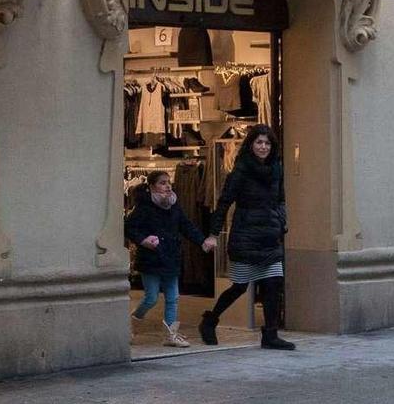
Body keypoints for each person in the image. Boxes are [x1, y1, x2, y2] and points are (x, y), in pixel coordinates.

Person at [198, 124, 295, 350]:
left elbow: (280, 198)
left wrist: (281, 219)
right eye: (259, 142)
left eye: (267, 143)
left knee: (273, 284)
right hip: (246, 236)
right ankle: (210, 320)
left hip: (270, 238)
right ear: (251, 145)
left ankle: (270, 335)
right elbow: (224, 203)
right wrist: (213, 234)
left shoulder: (276, 169)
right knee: (240, 286)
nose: (263, 147)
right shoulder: (241, 170)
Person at [125, 170, 217, 347]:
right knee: (151, 297)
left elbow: (186, 225)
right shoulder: (144, 206)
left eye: (168, 182)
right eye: (162, 183)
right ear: (152, 186)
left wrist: (202, 241)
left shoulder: (174, 205)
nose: (167, 186)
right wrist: (144, 240)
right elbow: (130, 228)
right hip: (151, 258)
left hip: (171, 256)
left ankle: (170, 335)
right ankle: (131, 323)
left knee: (173, 297)